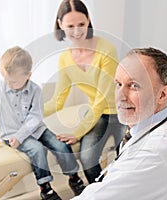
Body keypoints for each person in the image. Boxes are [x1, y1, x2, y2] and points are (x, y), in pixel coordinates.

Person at [72, 47, 167, 199]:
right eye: (118, 84)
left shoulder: (152, 154)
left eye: (134, 85)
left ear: (162, 95)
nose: (121, 96)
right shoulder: (142, 130)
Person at [0, 46, 85, 200]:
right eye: (6, 79)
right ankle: (46, 189)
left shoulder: (35, 90)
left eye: (14, 81)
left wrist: (21, 135)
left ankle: (74, 178)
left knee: (60, 145)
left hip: (37, 129)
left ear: (28, 75)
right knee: (37, 150)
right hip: (12, 134)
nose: (9, 84)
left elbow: (35, 117)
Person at [44, 0, 126, 184]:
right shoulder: (65, 59)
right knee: (88, 159)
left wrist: (78, 132)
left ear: (89, 20)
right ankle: (102, 193)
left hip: (123, 111)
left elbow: (102, 97)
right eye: (70, 26)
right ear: (60, 25)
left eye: (81, 24)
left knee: (127, 159)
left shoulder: (106, 49)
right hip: (99, 115)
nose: (77, 31)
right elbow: (58, 100)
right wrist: (31, 113)